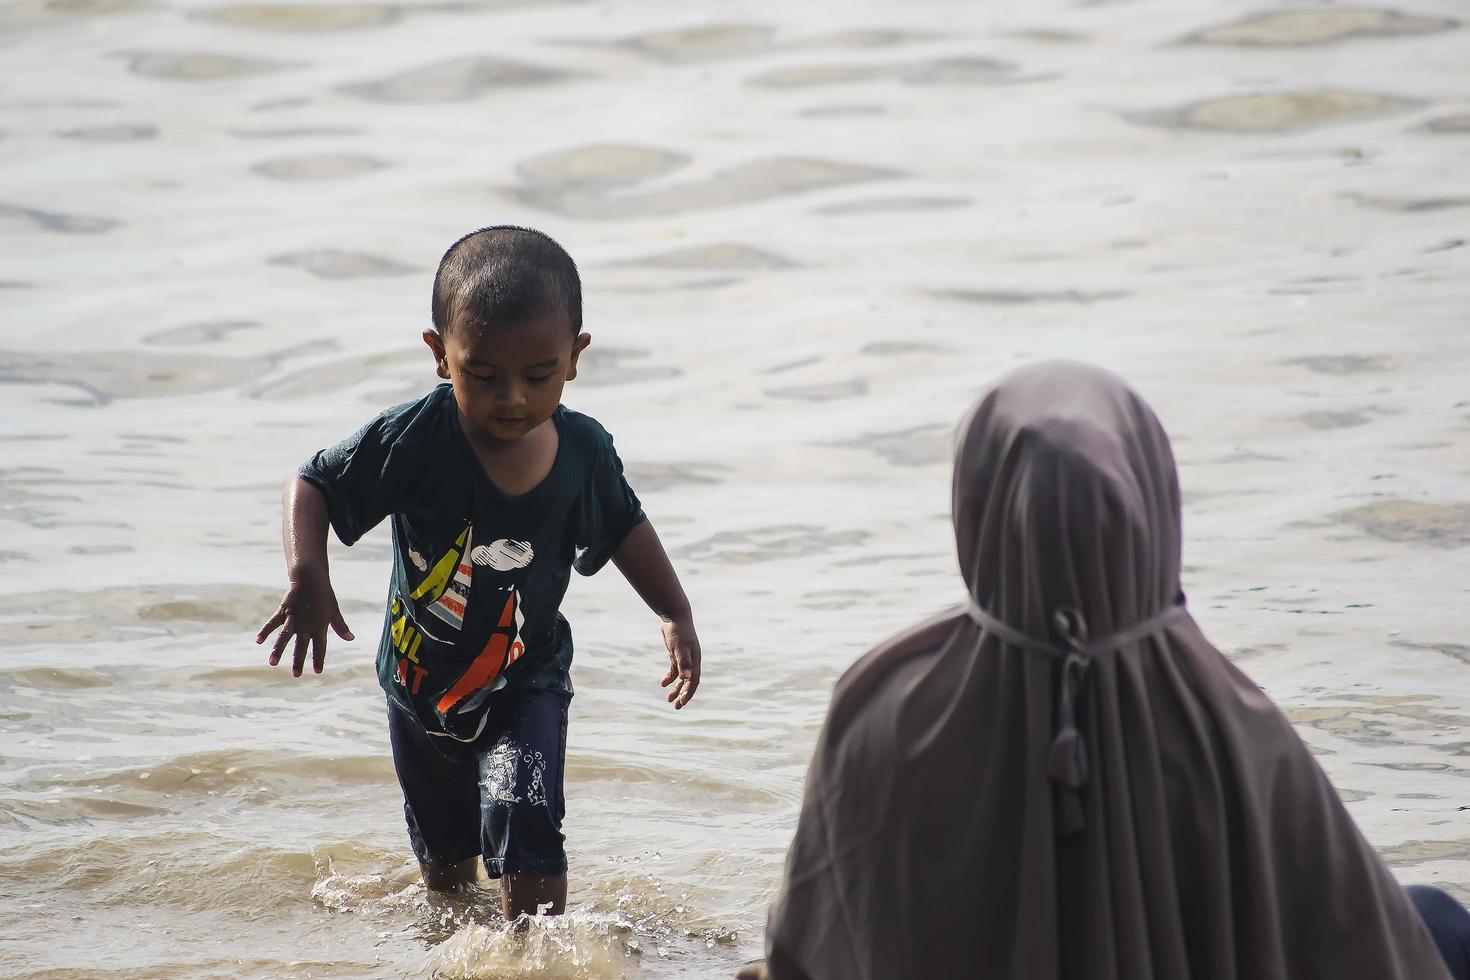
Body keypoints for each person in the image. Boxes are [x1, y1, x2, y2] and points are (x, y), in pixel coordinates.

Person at [740, 361, 1462, 979]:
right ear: (1153, 509)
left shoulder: (877, 712)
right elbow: (1363, 944)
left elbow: (808, 950)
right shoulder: (1235, 730)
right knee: (1437, 919)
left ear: (979, 511)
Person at [255, 225, 703, 920]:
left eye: (538, 375)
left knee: (526, 821)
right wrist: (308, 572)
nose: (513, 399)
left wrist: (675, 613)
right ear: (440, 356)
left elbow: (624, 527)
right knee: (446, 872)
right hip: (417, 691)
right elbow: (313, 483)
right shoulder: (415, 440)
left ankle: (537, 957)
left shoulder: (583, 453)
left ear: (575, 359)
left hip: (525, 682)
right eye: (484, 375)